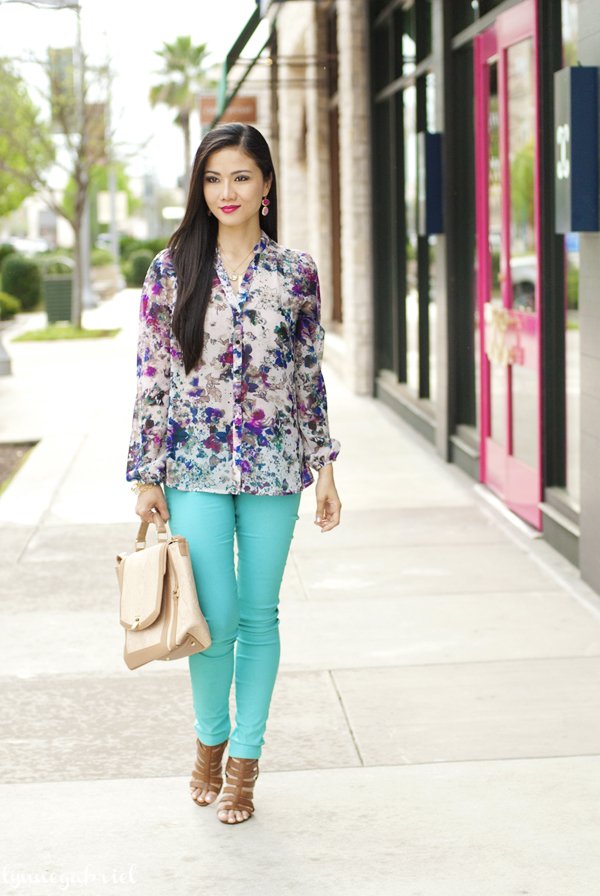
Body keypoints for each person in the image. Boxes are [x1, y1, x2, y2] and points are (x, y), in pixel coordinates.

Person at [126, 122, 341, 825]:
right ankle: (209, 745)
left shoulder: (296, 273)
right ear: (200, 187)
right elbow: (153, 378)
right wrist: (145, 473)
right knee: (212, 623)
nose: (227, 191)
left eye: (242, 176)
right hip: (193, 467)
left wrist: (326, 466)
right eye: (214, 178)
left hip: (277, 468)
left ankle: (245, 765)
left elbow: (309, 376)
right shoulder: (170, 271)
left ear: (267, 187)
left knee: (260, 615)